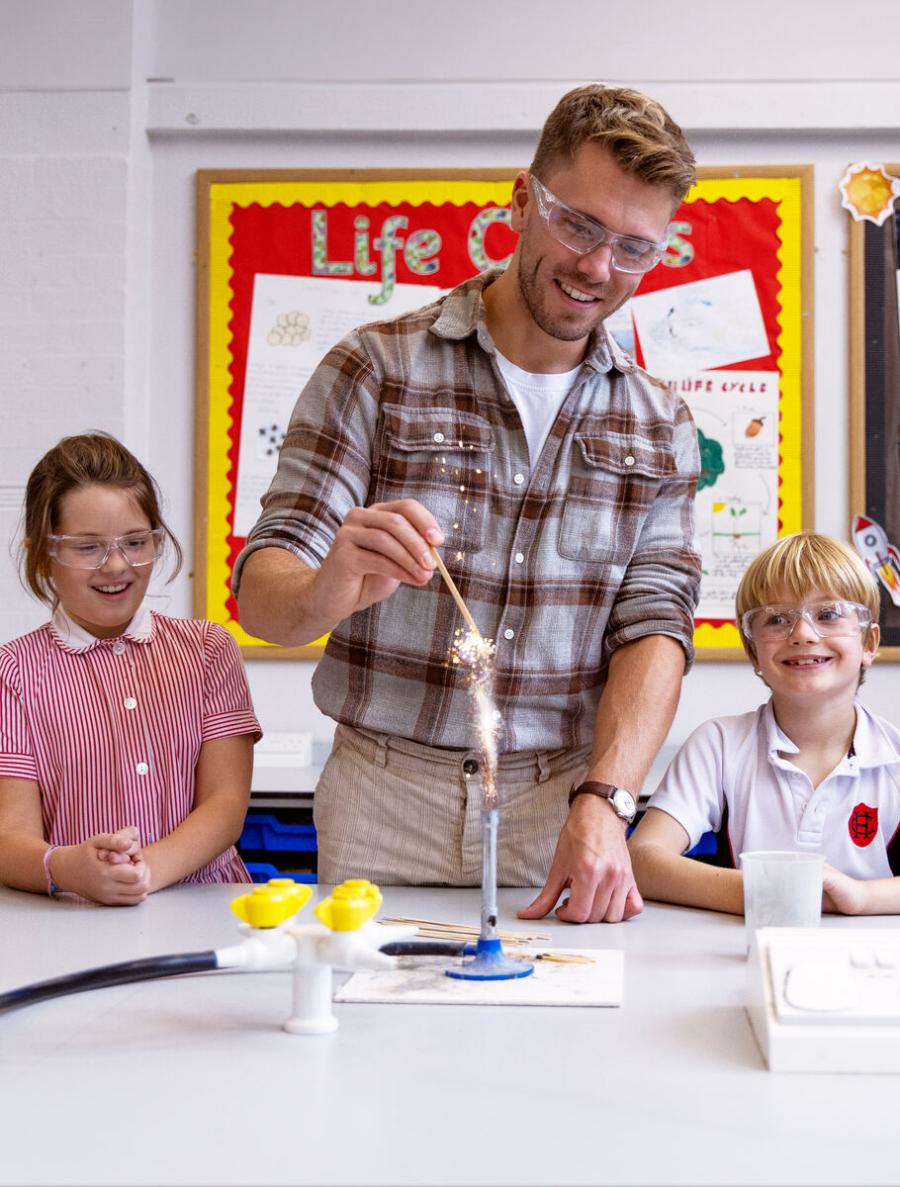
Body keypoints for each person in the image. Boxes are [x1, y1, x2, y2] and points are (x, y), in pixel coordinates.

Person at [236, 84, 702, 923]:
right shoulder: (375, 368)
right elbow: (265, 598)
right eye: (580, 225)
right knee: (367, 1044)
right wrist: (329, 583)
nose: (599, 267)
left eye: (635, 247)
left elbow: (657, 627)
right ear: (523, 200)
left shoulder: (661, 423)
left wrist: (609, 798)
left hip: (561, 810)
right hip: (383, 798)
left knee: (553, 1049)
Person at [0, 432, 262, 906]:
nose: (117, 565)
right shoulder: (14, 672)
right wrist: (68, 868)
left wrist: (142, 873)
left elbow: (225, 807)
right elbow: (10, 838)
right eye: (87, 547)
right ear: (43, 555)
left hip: (207, 908)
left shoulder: (207, 651)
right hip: (76, 920)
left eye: (136, 542)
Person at [628, 532, 900, 915]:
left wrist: (861, 896)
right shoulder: (719, 745)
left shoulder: (895, 757)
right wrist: (769, 889)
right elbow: (642, 860)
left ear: (868, 644)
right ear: (753, 652)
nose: (803, 634)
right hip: (749, 951)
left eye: (828, 614)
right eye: (776, 619)